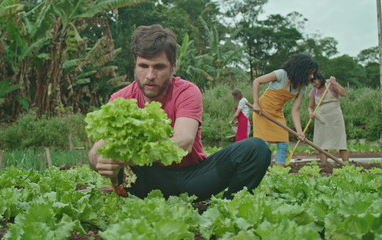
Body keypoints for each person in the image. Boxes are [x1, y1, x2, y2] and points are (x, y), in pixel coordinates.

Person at [88, 24, 270, 201]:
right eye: (143, 66)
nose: (150, 75)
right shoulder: (121, 98)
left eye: (158, 67)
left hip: (193, 179)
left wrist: (131, 157)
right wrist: (101, 161)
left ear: (173, 66)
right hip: (147, 181)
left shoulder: (187, 91)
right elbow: (96, 151)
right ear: (135, 64)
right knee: (114, 156)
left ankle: (231, 207)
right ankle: (124, 195)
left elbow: (184, 141)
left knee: (256, 148)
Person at [252, 54, 318, 167]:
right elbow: (257, 81)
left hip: (277, 113)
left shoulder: (302, 87)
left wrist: (299, 132)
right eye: (310, 73)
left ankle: (279, 170)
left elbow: (295, 110)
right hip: (261, 111)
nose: (312, 76)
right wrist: (256, 103)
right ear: (301, 69)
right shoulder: (281, 74)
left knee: (283, 142)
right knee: (262, 144)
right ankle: (261, 168)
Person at [308, 72, 349, 164]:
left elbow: (343, 94)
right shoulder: (314, 90)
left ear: (320, 79)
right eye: (312, 83)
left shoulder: (330, 85)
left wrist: (335, 83)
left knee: (341, 143)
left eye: (315, 82)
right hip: (321, 119)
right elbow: (310, 106)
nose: (314, 84)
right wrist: (311, 113)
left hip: (335, 118)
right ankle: (324, 165)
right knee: (322, 144)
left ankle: (347, 165)